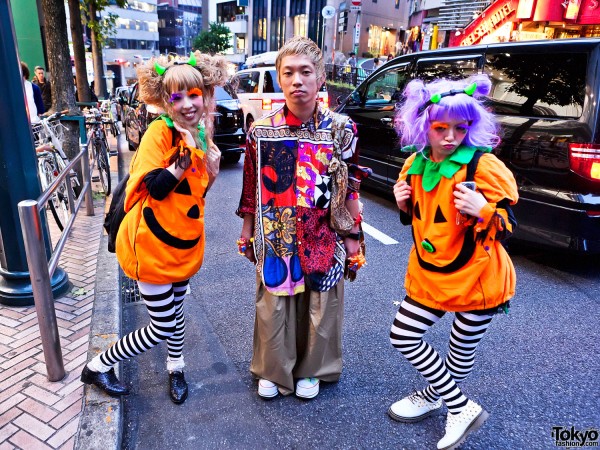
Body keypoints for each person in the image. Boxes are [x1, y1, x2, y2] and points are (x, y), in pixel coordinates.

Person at [80, 51, 228, 404]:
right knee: (161, 325)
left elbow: (194, 193)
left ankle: (176, 367)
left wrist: (212, 170)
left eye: (194, 95)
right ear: (166, 100)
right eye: (178, 97)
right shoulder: (158, 134)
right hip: (151, 244)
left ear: (205, 95)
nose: (188, 104)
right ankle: (99, 364)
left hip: (182, 243)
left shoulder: (199, 133)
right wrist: (190, 153)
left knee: (176, 311)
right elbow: (158, 187)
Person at [388, 74, 518, 449]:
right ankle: (459, 406)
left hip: (479, 277)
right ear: (423, 126)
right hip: (432, 272)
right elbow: (422, 218)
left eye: (459, 128)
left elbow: (509, 225)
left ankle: (436, 397)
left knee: (460, 354)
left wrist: (485, 210)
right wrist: (403, 204)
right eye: (440, 128)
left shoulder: (484, 166)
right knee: (404, 334)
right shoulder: (414, 164)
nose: (449, 137)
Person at [237, 36, 368, 400]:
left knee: (322, 301)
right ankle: (274, 369)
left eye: (306, 72)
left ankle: (313, 370)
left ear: (320, 77)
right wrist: (247, 233)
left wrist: (353, 238)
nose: (297, 80)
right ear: (279, 79)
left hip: (323, 228)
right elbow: (251, 188)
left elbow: (352, 185)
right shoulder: (261, 129)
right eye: (289, 72)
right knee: (275, 298)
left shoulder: (342, 129)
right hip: (274, 225)